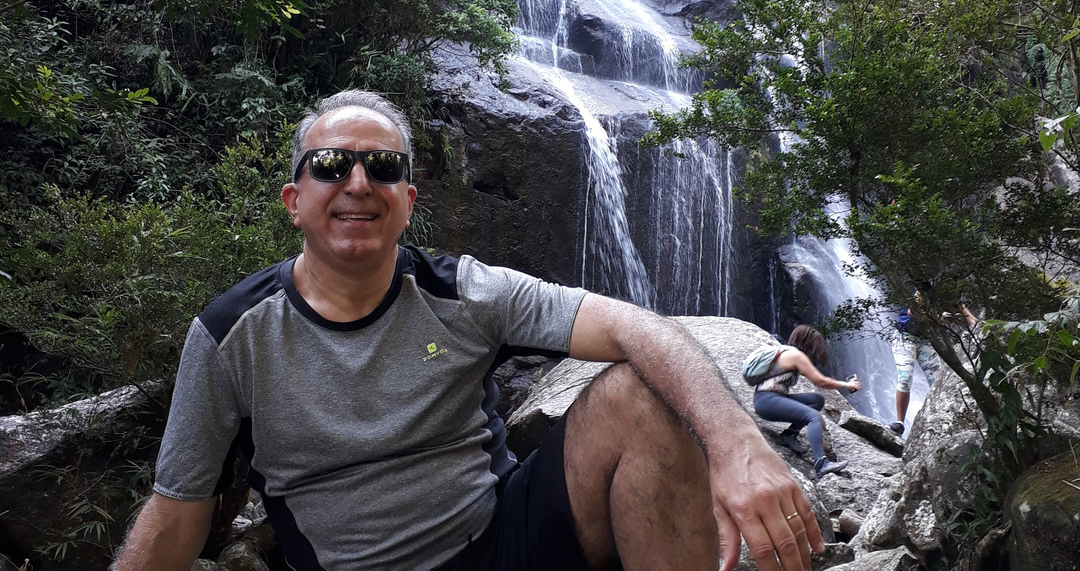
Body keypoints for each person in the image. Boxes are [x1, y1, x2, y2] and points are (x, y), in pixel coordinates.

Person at [113, 89, 824, 571]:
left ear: (408, 199)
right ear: (294, 201)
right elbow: (178, 511)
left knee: (639, 390)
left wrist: (737, 443)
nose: (358, 182)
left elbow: (636, 325)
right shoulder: (231, 336)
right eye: (332, 165)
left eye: (382, 167)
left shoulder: (462, 290)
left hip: (498, 543)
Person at [752, 324, 862, 479]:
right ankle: (821, 464)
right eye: (814, 348)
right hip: (767, 401)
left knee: (816, 400)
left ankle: (788, 435)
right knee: (813, 416)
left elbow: (813, 376)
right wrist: (847, 385)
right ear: (807, 344)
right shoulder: (795, 356)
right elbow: (820, 381)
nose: (814, 353)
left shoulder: (787, 353)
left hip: (770, 398)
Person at [889, 291, 976, 436]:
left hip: (925, 341)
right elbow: (913, 312)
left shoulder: (949, 299)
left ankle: (944, 420)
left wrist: (943, 321)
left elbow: (967, 317)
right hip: (904, 338)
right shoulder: (924, 293)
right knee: (905, 379)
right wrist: (937, 318)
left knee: (937, 383)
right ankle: (900, 423)